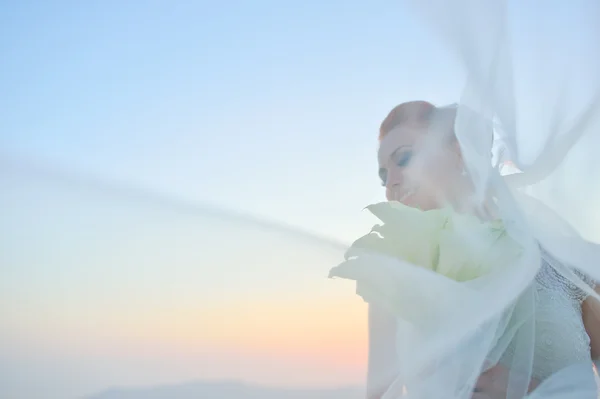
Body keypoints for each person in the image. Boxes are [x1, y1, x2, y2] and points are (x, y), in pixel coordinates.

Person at [366, 100, 600, 398]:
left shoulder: (569, 262)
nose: (392, 184)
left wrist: (529, 391)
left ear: (459, 152)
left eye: (404, 158)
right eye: (383, 176)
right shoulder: (394, 278)